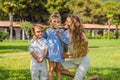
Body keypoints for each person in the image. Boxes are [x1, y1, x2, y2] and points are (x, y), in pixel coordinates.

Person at [58, 14, 99, 80]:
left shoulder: (82, 36)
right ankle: (83, 78)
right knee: (57, 67)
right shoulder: (66, 33)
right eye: (66, 21)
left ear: (73, 23)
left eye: (67, 21)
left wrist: (68, 56)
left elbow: (84, 52)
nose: (65, 22)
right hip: (73, 61)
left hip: (83, 61)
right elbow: (65, 48)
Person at [43, 11, 68, 80]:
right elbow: (43, 39)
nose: (56, 23)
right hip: (51, 53)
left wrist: (59, 34)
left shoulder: (62, 31)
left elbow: (66, 41)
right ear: (50, 22)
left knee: (58, 69)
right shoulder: (48, 31)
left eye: (58, 22)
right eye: (54, 21)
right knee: (51, 69)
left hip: (59, 53)